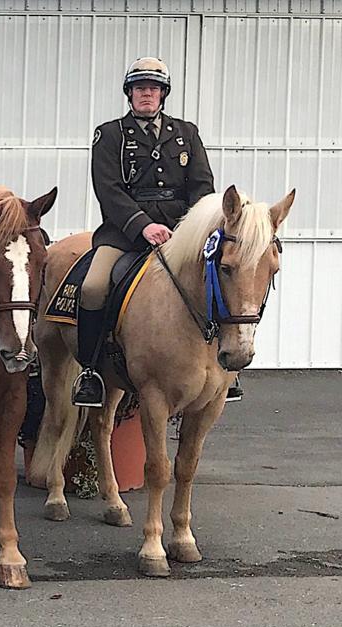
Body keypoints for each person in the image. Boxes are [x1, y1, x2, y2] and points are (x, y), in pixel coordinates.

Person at [73, 56, 228, 407]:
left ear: (163, 94)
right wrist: (143, 225)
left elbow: (202, 187)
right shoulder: (110, 134)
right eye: (140, 88)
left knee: (221, 279)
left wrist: (190, 230)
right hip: (124, 233)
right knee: (93, 287)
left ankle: (225, 367)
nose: (147, 94)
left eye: (153, 88)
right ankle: (91, 372)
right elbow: (108, 189)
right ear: (129, 93)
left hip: (180, 233)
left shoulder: (186, 133)